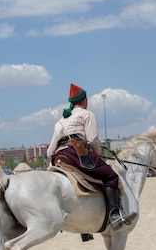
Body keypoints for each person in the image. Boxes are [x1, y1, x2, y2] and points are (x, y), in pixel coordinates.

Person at [47, 83, 136, 230]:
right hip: (77, 154)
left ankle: (84, 228)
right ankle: (114, 215)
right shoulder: (87, 114)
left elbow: (50, 150)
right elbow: (93, 139)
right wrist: (98, 152)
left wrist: (51, 163)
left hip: (59, 157)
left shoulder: (61, 122)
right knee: (111, 176)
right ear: (84, 100)